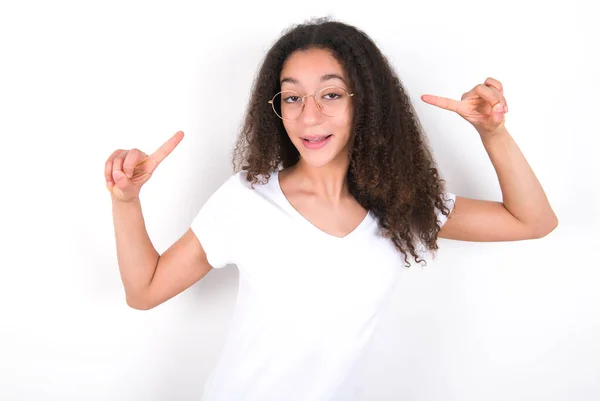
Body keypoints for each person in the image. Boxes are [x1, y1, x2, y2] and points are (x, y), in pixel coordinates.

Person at [105, 18, 558, 401]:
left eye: (332, 94)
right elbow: (144, 292)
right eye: (292, 96)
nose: (308, 116)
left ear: (367, 103)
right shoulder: (247, 199)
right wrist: (126, 201)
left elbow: (533, 221)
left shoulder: (401, 205)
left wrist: (492, 134)